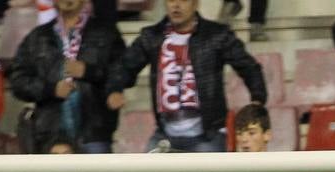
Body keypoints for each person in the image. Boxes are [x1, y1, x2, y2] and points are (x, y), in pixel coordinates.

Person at [108, 0, 267, 152]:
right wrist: (115, 89)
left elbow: (249, 67)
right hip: (165, 134)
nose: (176, 6)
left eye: (183, 0)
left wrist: (257, 97)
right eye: (171, 1)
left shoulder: (217, 35)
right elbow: (124, 66)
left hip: (209, 135)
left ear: (195, 3)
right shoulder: (152, 36)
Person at [9, 0, 126, 154]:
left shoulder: (106, 33)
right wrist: (50, 89)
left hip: (93, 134)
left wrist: (88, 71)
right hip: (50, 136)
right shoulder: (38, 37)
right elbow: (18, 80)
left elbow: (122, 70)